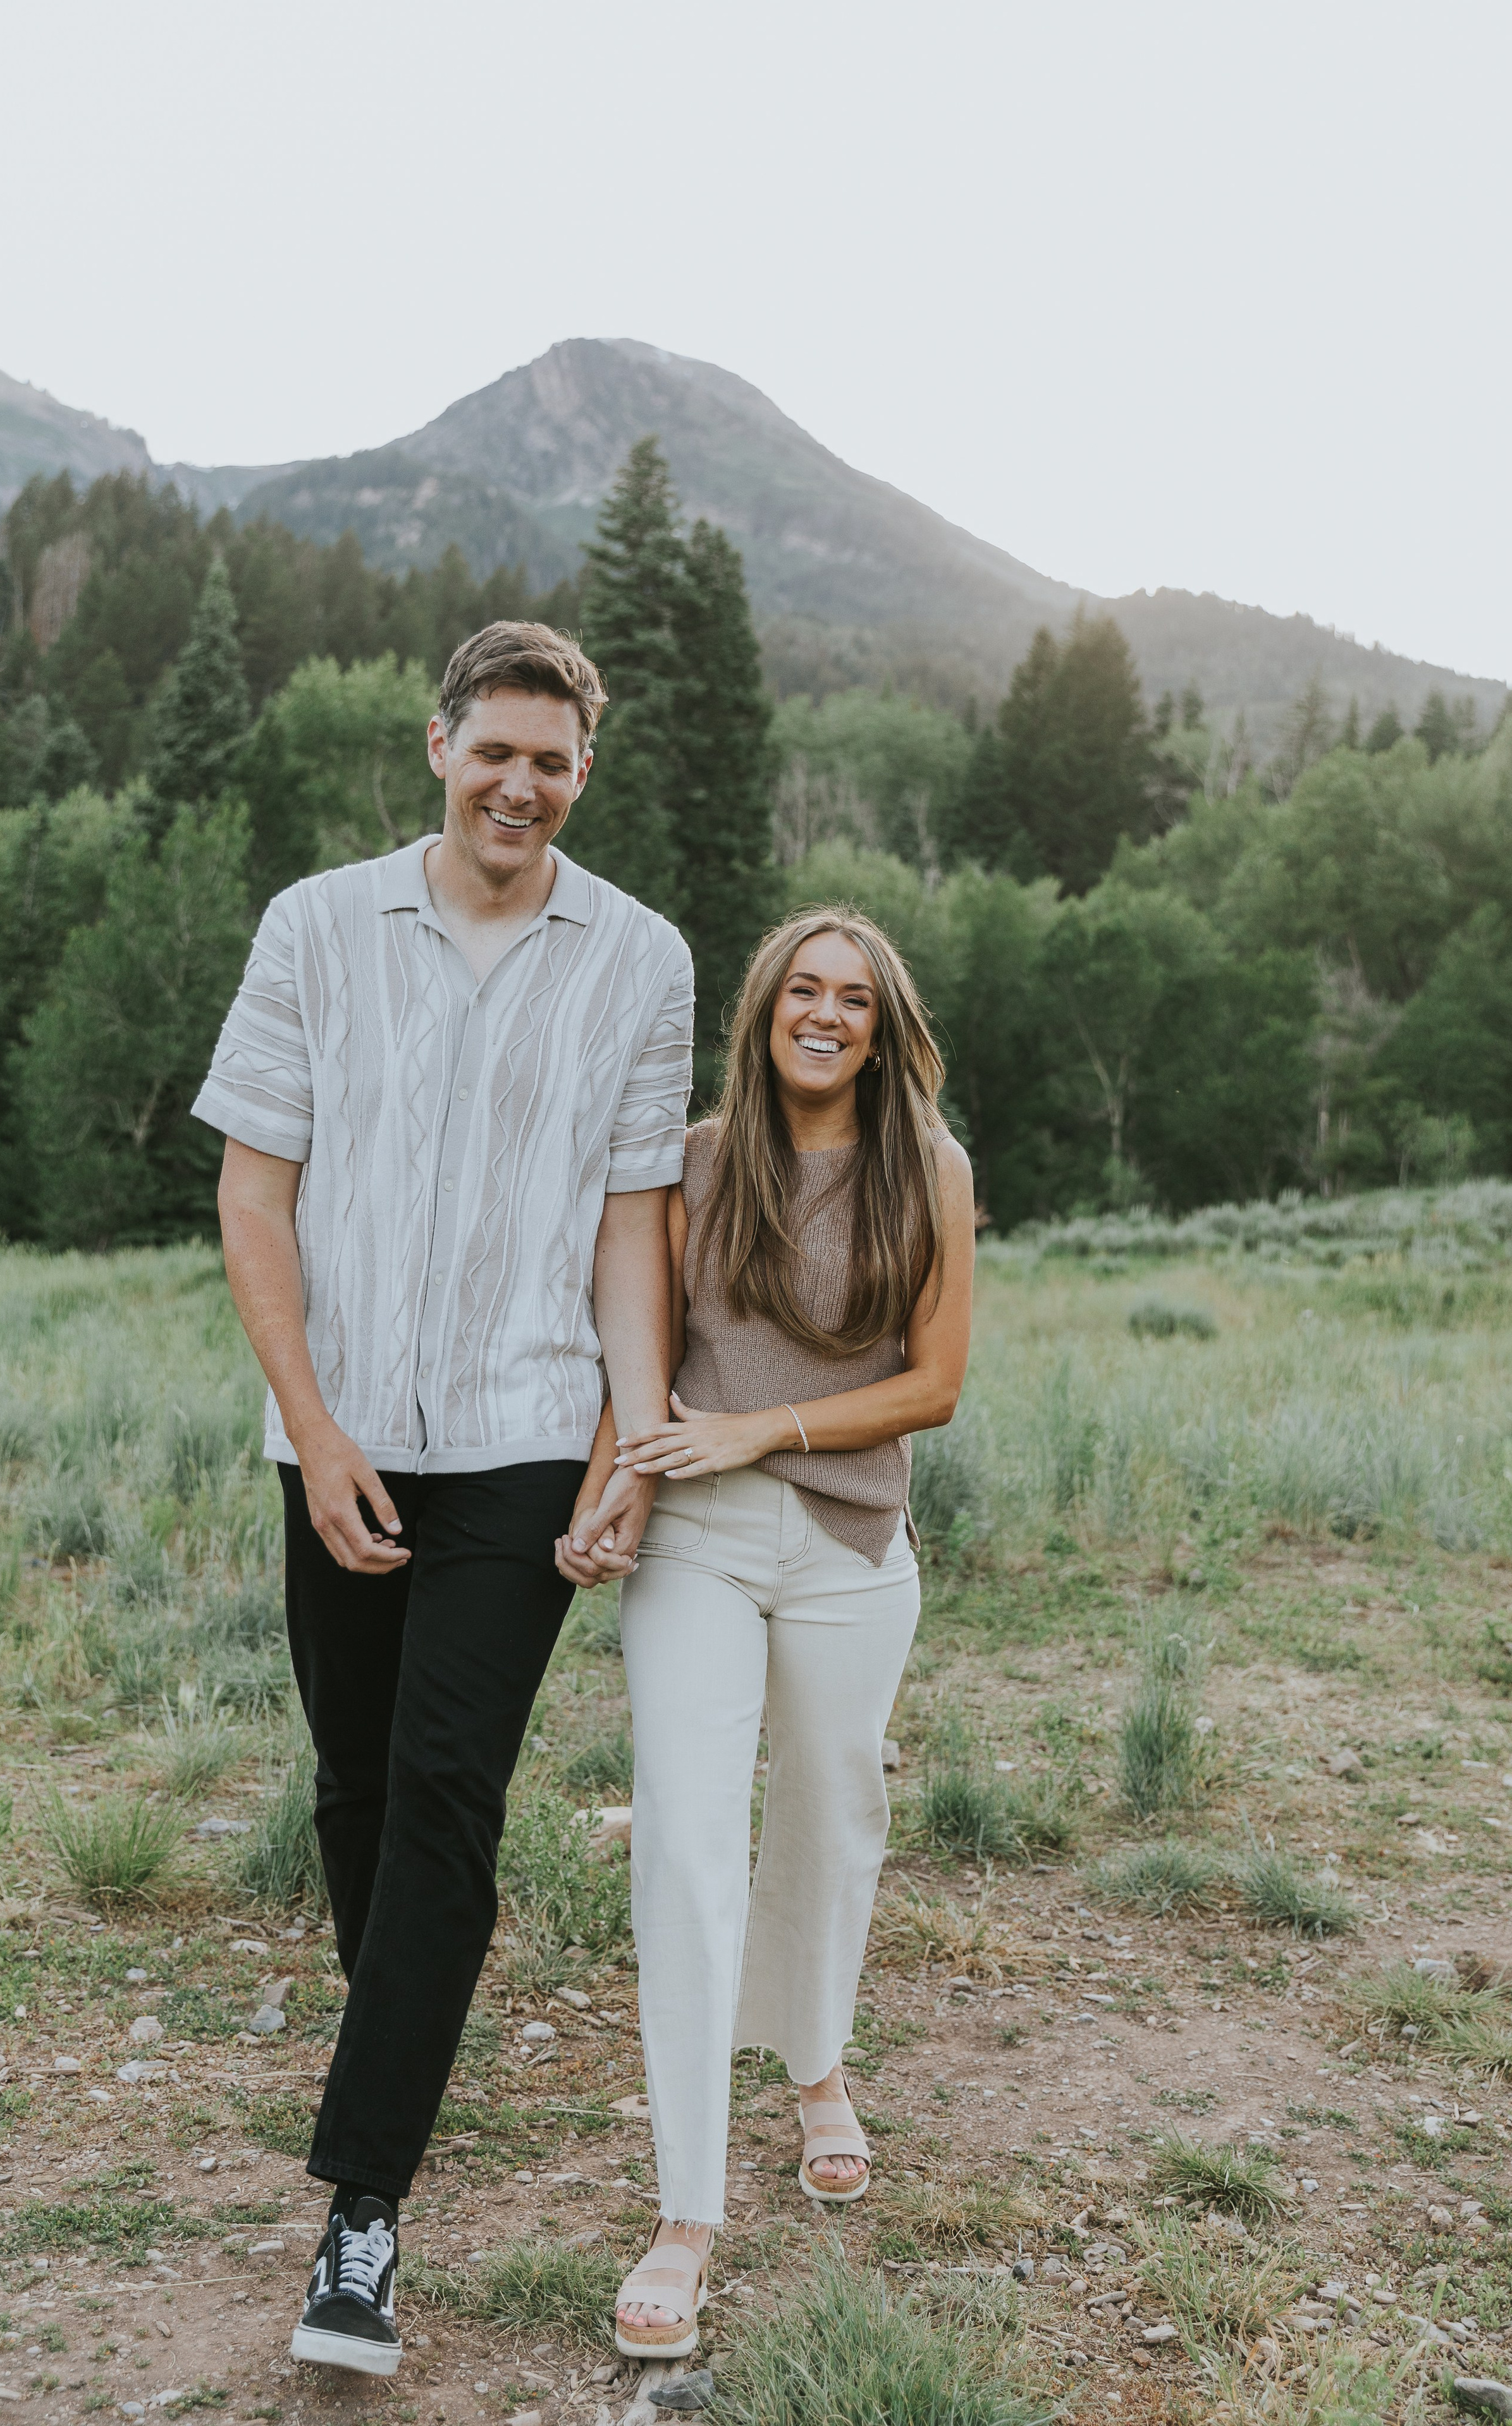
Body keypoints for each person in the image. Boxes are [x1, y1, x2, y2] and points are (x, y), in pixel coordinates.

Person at [192, 622, 691, 2379]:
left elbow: (640, 1217)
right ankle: (396, 2035)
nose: (522, 785)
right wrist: (312, 1426)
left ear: (583, 771)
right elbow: (258, 1199)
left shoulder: (640, 959)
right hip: (338, 1433)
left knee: (442, 1786)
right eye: (497, 750)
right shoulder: (316, 927)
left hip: (522, 1437)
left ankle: (361, 2216)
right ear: (439, 745)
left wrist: (630, 1434)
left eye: (554, 761)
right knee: (352, 1781)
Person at [556, 908, 974, 2360]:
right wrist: (610, 1487)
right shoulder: (693, 1158)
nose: (823, 1012)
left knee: (829, 1812)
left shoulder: (928, 1169)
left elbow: (932, 1386)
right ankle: (684, 2211)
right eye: (802, 988)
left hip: (853, 1541)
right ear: (764, 1008)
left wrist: (766, 1427)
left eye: (851, 997)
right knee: (684, 1832)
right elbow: (645, 1350)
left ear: (879, 1025)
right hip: (696, 1537)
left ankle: (815, 2067)